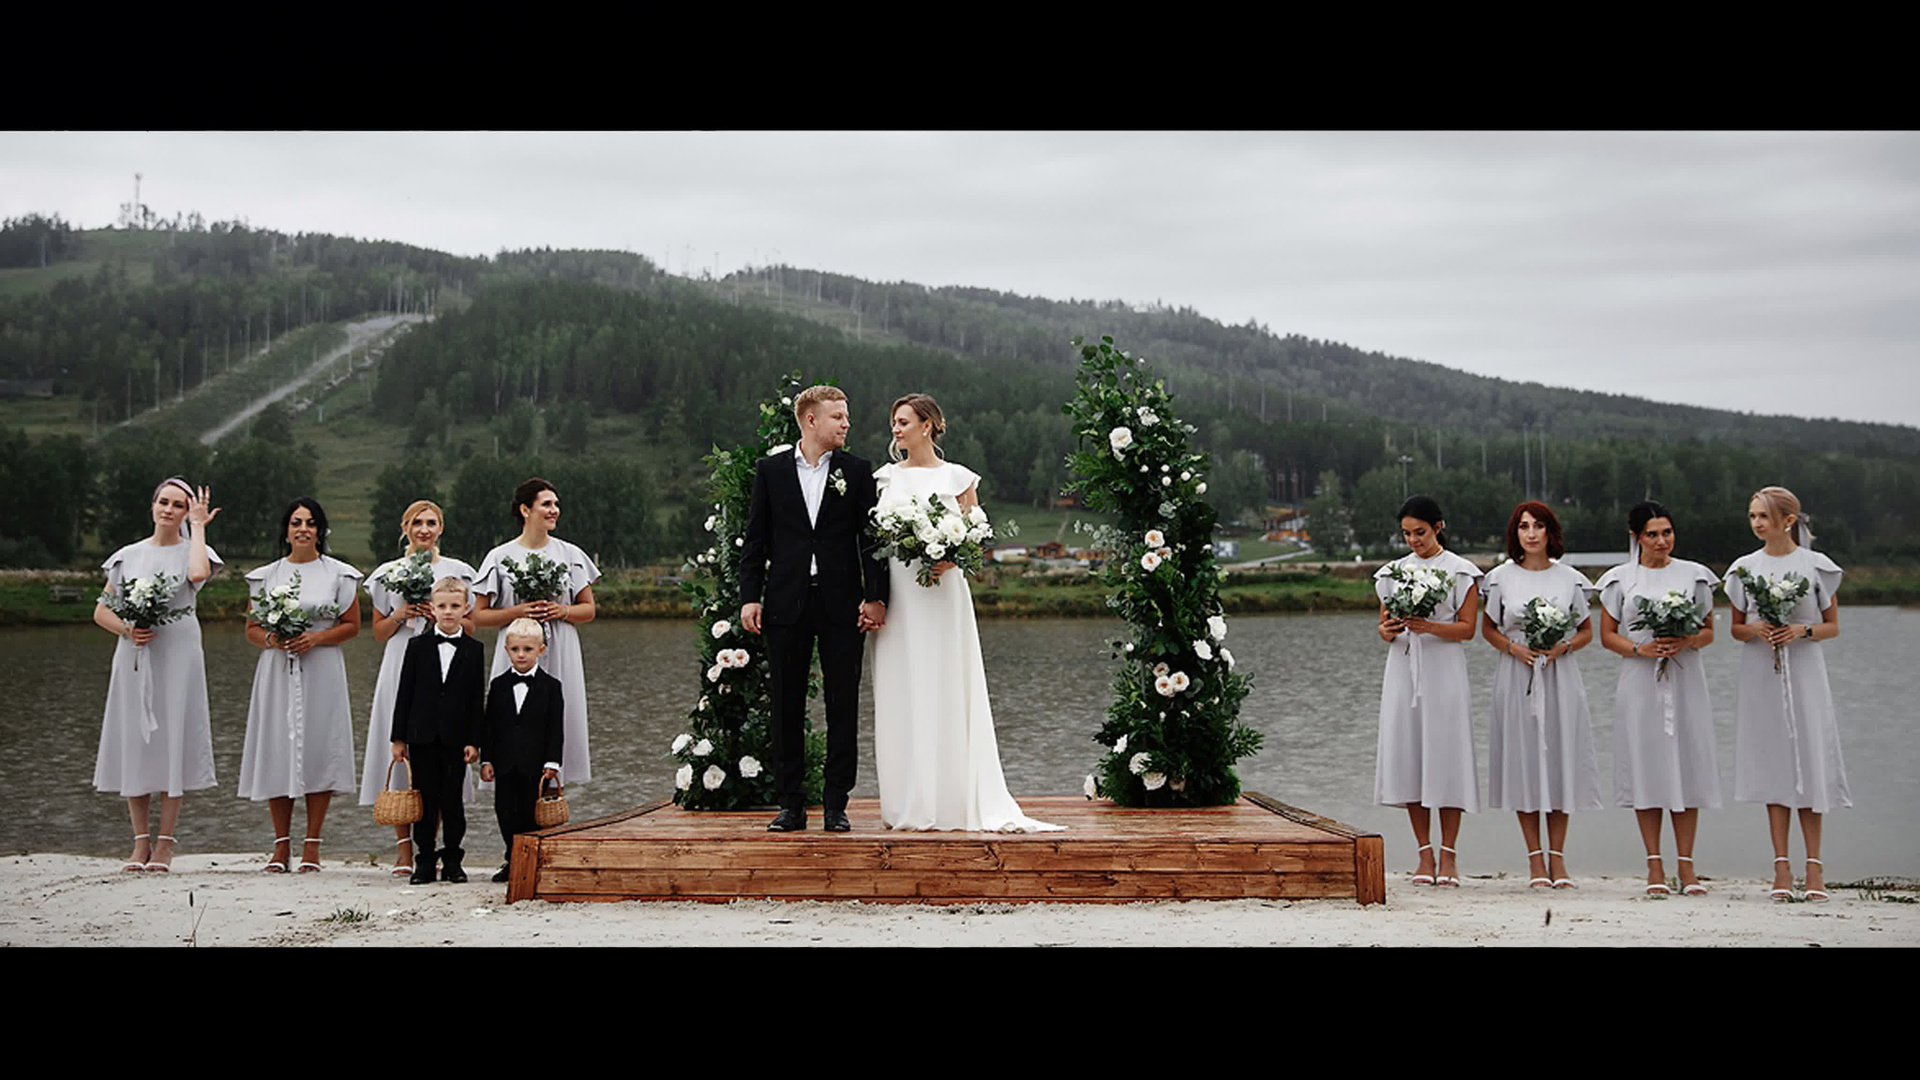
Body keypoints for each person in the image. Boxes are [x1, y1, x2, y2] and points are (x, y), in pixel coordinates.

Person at [868, 394, 1062, 832]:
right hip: (900, 595)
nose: (895, 429)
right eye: (893, 422)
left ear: (927, 425)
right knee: (902, 685)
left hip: (942, 592)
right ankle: (909, 800)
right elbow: (874, 541)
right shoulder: (885, 478)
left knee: (946, 682)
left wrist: (952, 558)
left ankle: (953, 798)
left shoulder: (958, 477)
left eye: (903, 422)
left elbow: (976, 534)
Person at [739, 385, 889, 833]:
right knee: (785, 705)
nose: (846, 424)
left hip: (843, 604)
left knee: (843, 704)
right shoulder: (771, 471)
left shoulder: (856, 471)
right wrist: (749, 596)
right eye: (838, 416)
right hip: (785, 603)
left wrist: (876, 597)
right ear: (810, 420)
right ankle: (790, 805)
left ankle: (836, 805)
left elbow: (871, 541)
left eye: (846, 416)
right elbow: (756, 538)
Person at [92, 478, 222, 873]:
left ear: (185, 512)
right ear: (152, 506)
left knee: (173, 737)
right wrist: (128, 629)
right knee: (136, 740)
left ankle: (165, 842)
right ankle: (139, 841)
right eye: (163, 502)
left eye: (178, 505)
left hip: (179, 651)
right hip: (136, 652)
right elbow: (101, 610)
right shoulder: (128, 556)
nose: (168, 510)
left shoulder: (194, 551)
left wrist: (198, 526)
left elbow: (197, 574)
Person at [1725, 485, 1846, 902]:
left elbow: (1832, 626)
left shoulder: (1816, 566)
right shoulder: (1744, 568)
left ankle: (1814, 868)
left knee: (1808, 761)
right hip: (1761, 672)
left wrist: (1801, 630)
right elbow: (1736, 629)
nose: (1757, 523)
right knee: (1773, 763)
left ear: (1788, 520)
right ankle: (1781, 867)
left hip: (1805, 669)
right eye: (1752, 516)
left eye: (1764, 516)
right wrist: (1756, 629)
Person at [1595, 500, 1720, 897]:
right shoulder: (1619, 579)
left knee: (1686, 765)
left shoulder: (1695, 576)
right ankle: (1654, 865)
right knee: (1645, 766)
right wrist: (1640, 649)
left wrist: (1687, 641)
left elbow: (1708, 632)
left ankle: (1687, 866)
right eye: (1652, 535)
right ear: (1636, 537)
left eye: (1667, 533)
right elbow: (1607, 635)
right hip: (1639, 680)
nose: (1662, 541)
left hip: (1685, 678)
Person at [1479, 501, 1602, 890]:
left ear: (1550, 531)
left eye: (1538, 526)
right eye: (1523, 526)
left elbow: (1586, 631)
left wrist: (1563, 647)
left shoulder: (1569, 579)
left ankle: (1558, 858)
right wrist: (1512, 648)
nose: (1531, 533)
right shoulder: (1501, 578)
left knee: (1560, 760)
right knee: (1525, 762)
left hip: (1559, 675)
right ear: (1515, 533)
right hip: (1517, 674)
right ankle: (1534, 858)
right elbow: (1488, 628)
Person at [237, 497, 362, 873]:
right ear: (287, 530)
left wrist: (316, 638)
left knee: (319, 748)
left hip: (322, 668)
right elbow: (252, 628)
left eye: (310, 523)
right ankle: (280, 847)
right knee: (279, 748)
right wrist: (274, 640)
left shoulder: (339, 574)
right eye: (296, 523)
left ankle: (312, 846)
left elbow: (352, 625)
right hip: (278, 669)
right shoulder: (266, 576)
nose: (303, 529)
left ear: (320, 531)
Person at [359, 499, 478, 878]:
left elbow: (472, 626)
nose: (424, 529)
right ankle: (404, 850)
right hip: (402, 659)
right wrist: (400, 614)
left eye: (430, 522)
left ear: (440, 527)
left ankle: (439, 850)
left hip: (447, 667)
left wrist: (441, 617)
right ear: (405, 528)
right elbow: (378, 632)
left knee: (441, 763)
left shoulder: (458, 572)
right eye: (416, 523)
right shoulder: (388, 572)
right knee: (407, 761)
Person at [1374, 494, 1482, 888]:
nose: (1413, 540)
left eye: (1419, 532)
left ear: (1438, 527)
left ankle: (1449, 854)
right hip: (1403, 670)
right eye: (1406, 534)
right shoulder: (1393, 573)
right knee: (1411, 755)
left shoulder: (1461, 572)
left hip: (1444, 670)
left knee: (1446, 755)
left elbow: (1467, 629)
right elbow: (1384, 626)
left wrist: (1429, 626)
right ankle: (1424, 853)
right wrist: (1387, 631)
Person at [472, 479, 597, 787]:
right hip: (516, 647)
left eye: (556, 504)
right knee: (512, 718)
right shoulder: (499, 556)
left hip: (561, 647)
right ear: (525, 510)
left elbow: (589, 610)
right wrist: (517, 612)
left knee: (558, 716)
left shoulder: (570, 553)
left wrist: (562, 611)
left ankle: (553, 791)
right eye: (547, 504)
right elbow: (478, 616)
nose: (554, 510)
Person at [390, 577, 486, 885]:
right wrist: (399, 738)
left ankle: (453, 860)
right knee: (425, 801)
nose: (448, 612)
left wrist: (474, 740)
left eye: (455, 606)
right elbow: (405, 692)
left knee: (453, 801)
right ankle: (425, 861)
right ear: (432, 608)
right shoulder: (417, 646)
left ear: (466, 608)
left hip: (456, 738)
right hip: (422, 735)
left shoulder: (474, 649)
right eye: (442, 606)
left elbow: (476, 698)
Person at [478, 618, 563, 884]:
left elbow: (555, 728)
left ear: (541, 650)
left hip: (535, 764)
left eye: (527, 649)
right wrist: (486, 759)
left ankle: (531, 861)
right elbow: (489, 725)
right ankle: (512, 858)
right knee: (504, 811)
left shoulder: (551, 686)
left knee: (531, 812)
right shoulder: (498, 685)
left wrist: (553, 761)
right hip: (504, 762)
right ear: (507, 650)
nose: (521, 655)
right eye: (515, 649)